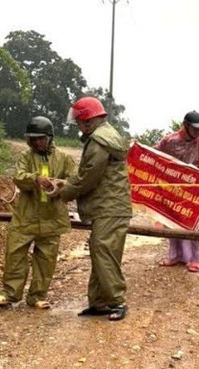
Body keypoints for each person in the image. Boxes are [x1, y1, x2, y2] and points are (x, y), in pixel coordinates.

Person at [55, 96, 132, 321]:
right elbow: (88, 174)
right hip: (108, 205)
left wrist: (64, 191)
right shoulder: (105, 136)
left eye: (79, 122)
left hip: (110, 206)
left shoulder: (99, 141)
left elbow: (89, 175)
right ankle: (99, 303)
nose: (78, 126)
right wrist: (67, 184)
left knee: (103, 249)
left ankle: (117, 301)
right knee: (101, 250)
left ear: (88, 122)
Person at [0, 116, 76, 309]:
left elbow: (75, 181)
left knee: (46, 260)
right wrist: (35, 179)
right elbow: (18, 177)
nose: (37, 142)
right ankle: (10, 294)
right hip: (26, 216)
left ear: (49, 137)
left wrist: (60, 185)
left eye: (41, 138)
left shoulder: (64, 158)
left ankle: (37, 296)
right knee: (15, 254)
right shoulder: (25, 157)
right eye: (33, 138)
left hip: (52, 218)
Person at [154, 110, 199, 273]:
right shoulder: (170, 141)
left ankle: (194, 259)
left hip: (193, 191)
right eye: (195, 128)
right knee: (172, 223)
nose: (198, 132)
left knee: (195, 224)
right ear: (186, 126)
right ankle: (174, 256)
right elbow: (154, 155)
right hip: (173, 190)